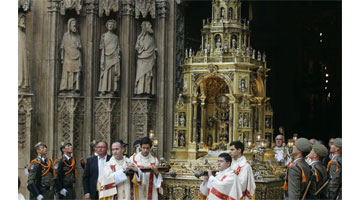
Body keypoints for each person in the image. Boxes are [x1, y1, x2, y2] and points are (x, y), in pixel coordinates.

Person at [98, 19, 121, 96]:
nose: (110, 26)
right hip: (106, 56)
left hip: (114, 56)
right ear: (107, 26)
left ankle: (111, 89)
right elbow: (101, 47)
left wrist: (118, 53)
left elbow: (117, 47)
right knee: (105, 72)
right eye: (109, 24)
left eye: (112, 24)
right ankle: (104, 89)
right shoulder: (104, 36)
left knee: (112, 73)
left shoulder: (115, 37)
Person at [60, 18, 82, 93]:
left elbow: (80, 45)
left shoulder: (78, 36)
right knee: (68, 72)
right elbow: (63, 46)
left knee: (77, 72)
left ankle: (75, 88)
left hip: (77, 56)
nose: (74, 26)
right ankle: (67, 88)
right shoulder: (66, 35)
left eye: (75, 25)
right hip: (68, 57)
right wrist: (63, 55)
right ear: (69, 26)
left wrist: (78, 46)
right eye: (73, 24)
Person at [134, 21, 157, 95]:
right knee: (141, 75)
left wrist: (154, 50)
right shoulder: (140, 38)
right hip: (142, 58)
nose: (151, 27)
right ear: (145, 27)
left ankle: (147, 90)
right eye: (149, 25)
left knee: (148, 75)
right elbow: (137, 47)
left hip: (149, 59)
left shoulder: (151, 39)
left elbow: (152, 48)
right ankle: (140, 91)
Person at [19, 13, 29, 90]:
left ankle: (23, 83)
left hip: (24, 57)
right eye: (22, 20)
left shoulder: (23, 34)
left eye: (24, 20)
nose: (23, 21)